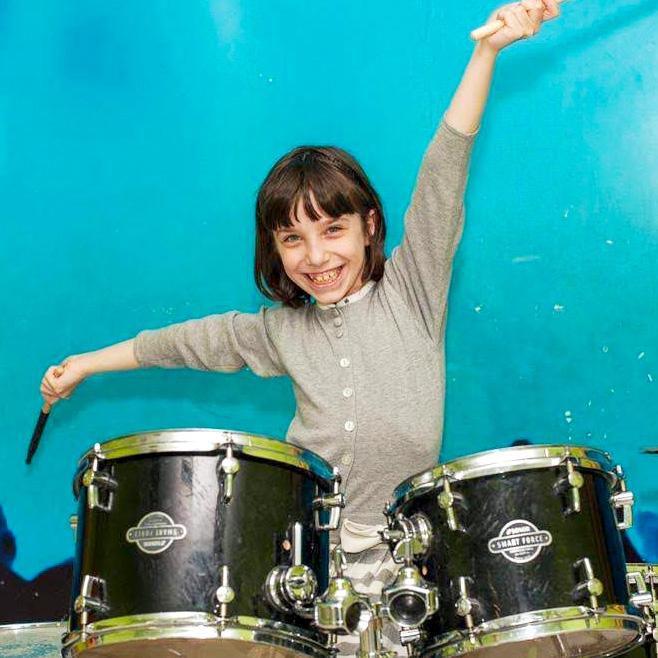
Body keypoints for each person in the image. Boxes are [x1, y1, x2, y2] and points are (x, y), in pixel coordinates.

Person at [40, 1, 559, 652]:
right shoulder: (280, 331)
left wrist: (486, 53)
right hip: (308, 568)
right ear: (275, 248)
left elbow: (444, 173)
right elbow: (183, 343)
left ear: (370, 226)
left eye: (333, 229)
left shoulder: (414, 290)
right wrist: (87, 364)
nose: (316, 256)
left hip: (406, 562)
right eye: (293, 238)